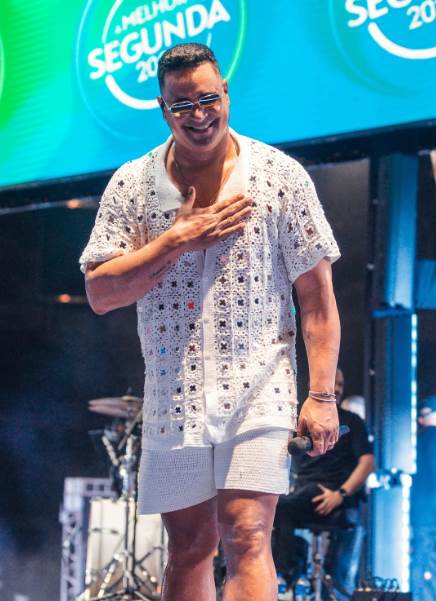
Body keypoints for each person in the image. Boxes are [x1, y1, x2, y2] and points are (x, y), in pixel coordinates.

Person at [80, 43, 341, 601]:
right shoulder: (132, 184)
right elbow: (100, 292)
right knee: (190, 546)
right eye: (182, 105)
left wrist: (321, 395)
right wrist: (175, 240)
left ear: (226, 93)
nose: (198, 115)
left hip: (262, 387)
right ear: (163, 109)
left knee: (247, 535)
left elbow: (317, 299)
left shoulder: (280, 176)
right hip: (175, 394)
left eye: (208, 99)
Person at [273, 368, 375, 600]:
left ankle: (284, 573)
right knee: (270, 508)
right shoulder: (301, 421)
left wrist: (341, 494)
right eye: (333, 382)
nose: (337, 388)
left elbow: (368, 463)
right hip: (304, 494)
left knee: (281, 507)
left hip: (334, 495)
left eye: (340, 384)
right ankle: (293, 567)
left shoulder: (352, 422)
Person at [411, 396, 436, 601]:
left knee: (421, 560)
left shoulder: (415, 441)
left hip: (421, 513)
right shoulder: (431, 438)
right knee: (425, 562)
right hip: (429, 513)